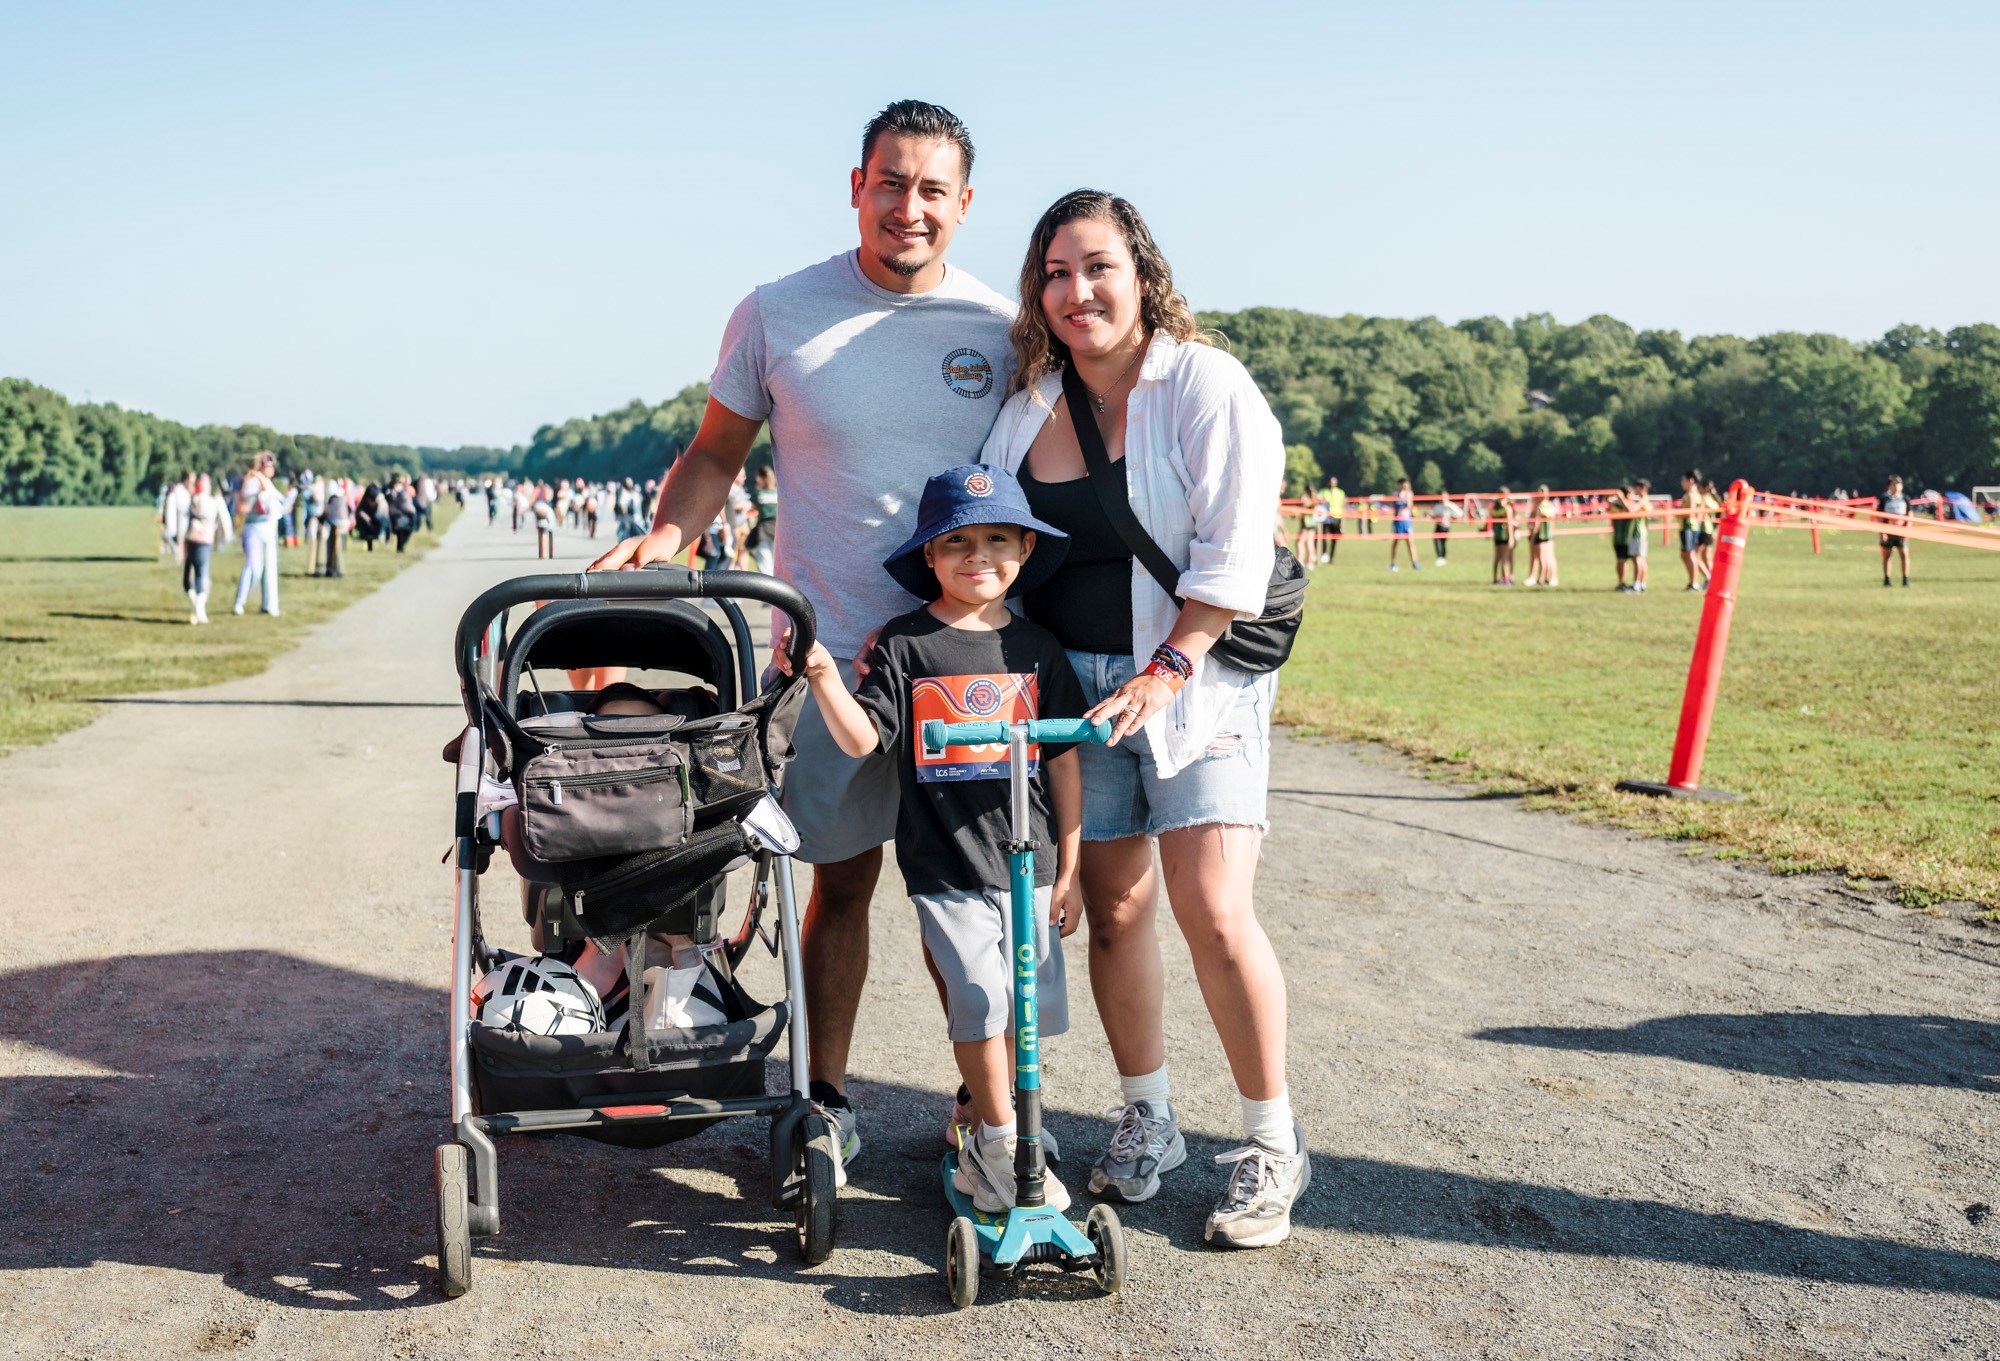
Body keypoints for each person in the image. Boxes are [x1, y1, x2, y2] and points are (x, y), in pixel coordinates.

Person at [590, 100, 1016, 1176]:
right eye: (889, 182)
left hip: (969, 664)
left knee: (970, 896)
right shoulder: (779, 311)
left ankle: (986, 1110)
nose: (907, 207)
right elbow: (713, 450)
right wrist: (666, 534)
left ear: (963, 205)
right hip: (826, 661)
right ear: (854, 184)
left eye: (931, 190)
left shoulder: (1005, 326)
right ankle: (826, 1101)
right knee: (842, 883)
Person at [981, 189, 1307, 1247]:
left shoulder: (1202, 383)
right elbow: (992, 532)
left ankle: (1268, 1141)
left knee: (1212, 905)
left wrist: (1169, 666)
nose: (1078, 292)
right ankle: (1146, 1115)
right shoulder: (1030, 400)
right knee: (1112, 910)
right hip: (1073, 691)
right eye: (1055, 274)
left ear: (1140, 271)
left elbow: (1233, 550)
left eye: (1097, 267)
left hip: (1195, 672)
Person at [799, 464, 1085, 1210]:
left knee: (1025, 1009)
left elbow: (1065, 764)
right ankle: (998, 1142)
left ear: (1025, 547)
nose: (977, 555)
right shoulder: (905, 644)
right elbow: (864, 741)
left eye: (996, 539)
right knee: (980, 998)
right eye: (956, 541)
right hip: (946, 866)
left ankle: (1008, 1127)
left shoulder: (1038, 650)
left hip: (1031, 864)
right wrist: (826, 677)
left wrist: (1073, 867)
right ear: (929, 555)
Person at [232, 452, 288, 616]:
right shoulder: (253, 481)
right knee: (254, 567)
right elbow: (245, 501)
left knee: (270, 567)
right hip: (254, 526)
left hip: (269, 526)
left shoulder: (268, 483)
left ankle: (269, 605)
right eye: (268, 466)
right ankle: (240, 601)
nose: (271, 469)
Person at [182, 473, 232, 623]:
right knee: (202, 574)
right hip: (205, 540)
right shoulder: (214, 501)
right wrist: (225, 539)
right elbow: (225, 521)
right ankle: (199, 607)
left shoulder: (193, 499)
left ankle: (196, 605)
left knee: (189, 574)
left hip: (191, 539)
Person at [1677, 469, 1706, 591]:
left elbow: (1691, 513)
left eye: (1683, 480)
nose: (1681, 483)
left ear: (1691, 480)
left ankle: (1694, 583)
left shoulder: (1691, 495)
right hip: (1688, 527)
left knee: (1690, 554)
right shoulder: (1696, 494)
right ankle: (1692, 581)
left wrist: (1677, 513)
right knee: (1685, 555)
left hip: (1689, 527)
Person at [746, 465, 779, 574]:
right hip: (778, 529)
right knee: (777, 563)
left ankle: (766, 589)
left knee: (764, 563)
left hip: (764, 530)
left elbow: (750, 508)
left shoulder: (758, 494)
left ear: (761, 478)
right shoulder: (779, 492)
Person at [1880, 475, 1911, 586]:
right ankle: (1887, 579)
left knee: (1904, 554)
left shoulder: (1905, 498)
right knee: (1887, 555)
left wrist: (1907, 530)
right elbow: (1880, 517)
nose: (1896, 486)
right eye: (1894, 484)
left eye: (1898, 484)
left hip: (1901, 531)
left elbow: (1909, 515)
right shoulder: (1884, 499)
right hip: (1888, 531)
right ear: (1889, 486)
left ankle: (1905, 579)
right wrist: (1883, 532)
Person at [1527, 484, 1558, 587]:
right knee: (1549, 557)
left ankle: (1542, 578)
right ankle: (1550, 577)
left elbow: (1535, 523)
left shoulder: (1540, 507)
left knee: (1542, 558)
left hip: (1541, 535)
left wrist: (1532, 536)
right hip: (1549, 534)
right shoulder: (1550, 506)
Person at [1387, 477, 1420, 571]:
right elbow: (1392, 505)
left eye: (1407, 483)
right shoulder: (1395, 494)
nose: (1405, 485)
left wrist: (1406, 498)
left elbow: (1410, 505)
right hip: (1398, 521)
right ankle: (1393, 563)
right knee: (1395, 543)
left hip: (1407, 521)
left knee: (1410, 542)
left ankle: (1415, 563)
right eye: (1403, 483)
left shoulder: (1409, 494)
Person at [160, 471, 194, 563]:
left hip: (185, 517)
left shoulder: (185, 490)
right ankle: (178, 556)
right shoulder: (179, 490)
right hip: (180, 517)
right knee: (179, 538)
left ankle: (181, 556)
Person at [322, 476, 350, 578]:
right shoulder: (342, 496)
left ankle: (332, 568)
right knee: (338, 548)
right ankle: (336, 568)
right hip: (342, 525)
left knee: (333, 548)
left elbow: (328, 512)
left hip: (334, 525)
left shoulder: (333, 499)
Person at [1488, 488, 1518, 586]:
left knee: (1499, 557)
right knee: (1503, 558)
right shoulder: (1506, 508)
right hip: (1503, 535)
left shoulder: (1495, 507)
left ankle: (1498, 578)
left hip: (1499, 535)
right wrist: (1511, 537)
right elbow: (1509, 524)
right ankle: (1505, 579)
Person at [1430, 488, 1459, 566]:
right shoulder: (1437, 506)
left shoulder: (1450, 505)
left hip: (1446, 526)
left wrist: (1452, 519)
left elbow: (1459, 513)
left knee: (1443, 543)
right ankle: (1440, 557)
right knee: (1437, 541)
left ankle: (1443, 558)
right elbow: (1433, 515)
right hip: (1438, 526)